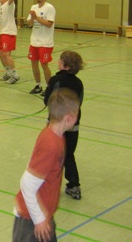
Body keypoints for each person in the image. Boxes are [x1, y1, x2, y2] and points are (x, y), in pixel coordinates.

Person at [12, 88, 80, 242]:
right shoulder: (51, 144)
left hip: (43, 215)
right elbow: (27, 184)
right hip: (31, 221)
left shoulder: (56, 136)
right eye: (77, 114)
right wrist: (39, 219)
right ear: (68, 118)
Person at [43, 51, 85, 200]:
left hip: (56, 124)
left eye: (60, 60)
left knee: (51, 153)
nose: (58, 62)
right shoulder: (78, 83)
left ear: (65, 65)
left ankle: (47, 184)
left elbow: (47, 100)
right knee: (68, 154)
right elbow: (79, 101)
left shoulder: (55, 80)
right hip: (73, 123)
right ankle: (74, 186)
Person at [28, 0, 56, 95]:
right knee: (34, 64)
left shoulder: (50, 8)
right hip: (34, 41)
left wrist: (36, 17)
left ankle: (49, 87)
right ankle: (38, 85)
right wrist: (32, 18)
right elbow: (29, 24)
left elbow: (49, 24)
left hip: (45, 42)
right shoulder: (33, 7)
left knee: (44, 64)